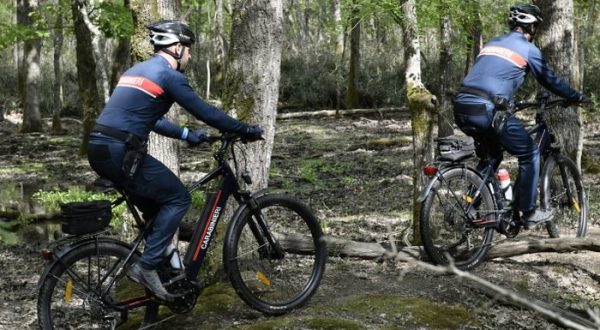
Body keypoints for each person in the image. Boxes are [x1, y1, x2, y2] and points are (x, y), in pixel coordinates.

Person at [87, 20, 262, 301]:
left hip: (99, 148)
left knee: (156, 209)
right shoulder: (170, 76)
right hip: (121, 151)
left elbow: (148, 117)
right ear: (177, 47)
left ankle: (167, 272)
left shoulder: (136, 71)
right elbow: (205, 111)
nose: (190, 57)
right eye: (189, 50)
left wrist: (186, 134)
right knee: (178, 198)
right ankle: (146, 266)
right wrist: (245, 129)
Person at [452, 3, 589, 229]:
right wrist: (576, 96)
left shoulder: (492, 43)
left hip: (462, 107)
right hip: (487, 110)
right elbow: (549, 79)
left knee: (492, 156)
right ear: (532, 27)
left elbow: (491, 76)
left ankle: (470, 203)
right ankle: (527, 211)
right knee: (530, 153)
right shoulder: (528, 49)